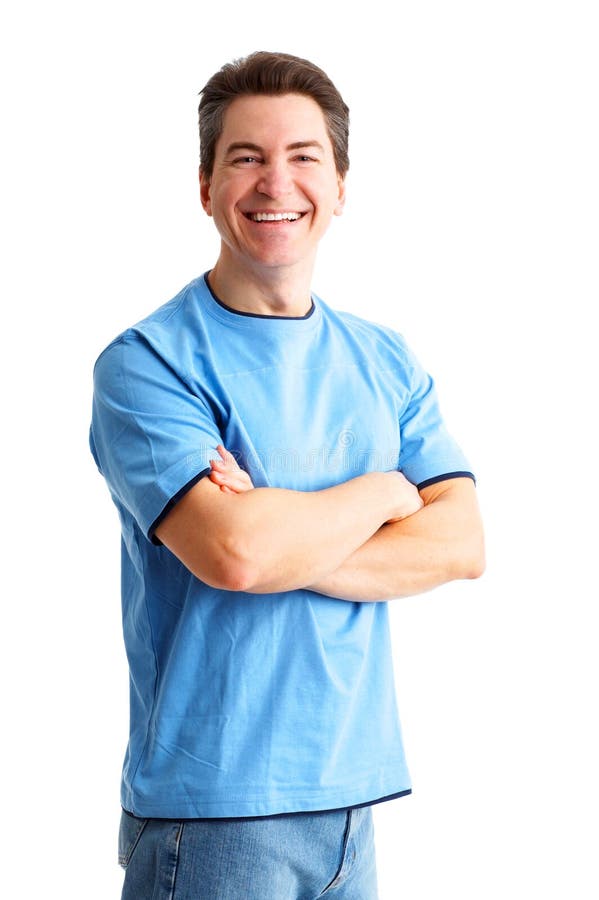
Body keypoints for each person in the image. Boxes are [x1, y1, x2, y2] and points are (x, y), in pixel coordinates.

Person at [90, 50, 485, 900]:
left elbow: (460, 542)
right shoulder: (149, 364)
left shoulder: (384, 360)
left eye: (303, 156)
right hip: (214, 813)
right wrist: (385, 494)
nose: (277, 183)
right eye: (245, 157)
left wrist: (279, 535)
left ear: (341, 185)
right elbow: (233, 557)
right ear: (205, 186)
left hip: (353, 800)